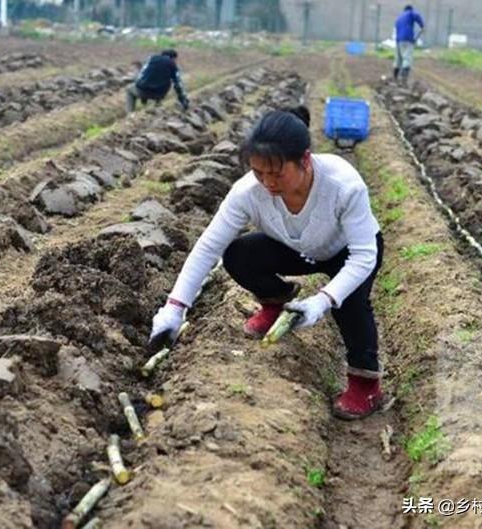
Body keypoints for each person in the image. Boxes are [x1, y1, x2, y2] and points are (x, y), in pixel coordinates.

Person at [149, 106, 385, 420]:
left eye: (276, 172)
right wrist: (175, 308)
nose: (267, 182)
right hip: (295, 248)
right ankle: (275, 304)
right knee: (239, 254)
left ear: (304, 160)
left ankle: (365, 385)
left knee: (351, 305)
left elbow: (364, 256)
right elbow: (208, 247)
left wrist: (322, 300)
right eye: (259, 172)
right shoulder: (247, 192)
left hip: (349, 253)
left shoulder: (344, 186)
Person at [393, 5, 425, 85]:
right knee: (407, 57)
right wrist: (422, 25)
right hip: (408, 39)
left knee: (398, 59)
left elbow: (396, 30)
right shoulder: (410, 13)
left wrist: (397, 42)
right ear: (410, 9)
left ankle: (395, 77)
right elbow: (417, 15)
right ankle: (404, 78)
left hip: (399, 40)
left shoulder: (399, 18)